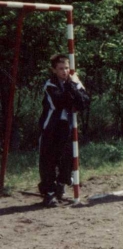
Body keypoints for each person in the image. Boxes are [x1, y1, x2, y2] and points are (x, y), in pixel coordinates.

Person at [38, 54, 90, 207]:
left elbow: (84, 102)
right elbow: (62, 101)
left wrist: (74, 87)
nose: (64, 71)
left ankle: (61, 184)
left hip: (67, 127)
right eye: (60, 69)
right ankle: (48, 193)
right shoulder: (50, 85)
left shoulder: (74, 82)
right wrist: (73, 88)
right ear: (54, 70)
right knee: (48, 159)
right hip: (51, 127)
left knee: (68, 157)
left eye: (66, 68)